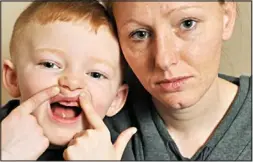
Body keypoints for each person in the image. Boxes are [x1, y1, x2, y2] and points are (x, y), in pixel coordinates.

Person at [103, 1, 252, 160]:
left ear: (227, 17)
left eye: (187, 24)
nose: (164, 60)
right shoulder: (96, 132)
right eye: (140, 34)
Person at [1, 1, 137, 160]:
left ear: (116, 99)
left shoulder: (116, 151)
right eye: (50, 64)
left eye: (95, 74)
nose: (72, 83)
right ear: (13, 78)